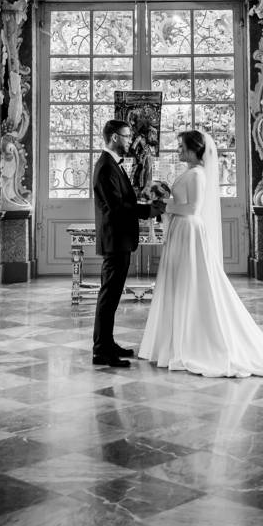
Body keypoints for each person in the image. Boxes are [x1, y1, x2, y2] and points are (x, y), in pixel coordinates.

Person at [138, 130, 263, 378]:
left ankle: (191, 343)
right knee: (178, 281)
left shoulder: (198, 174)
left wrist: (164, 205)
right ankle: (173, 341)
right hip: (181, 229)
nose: (178, 150)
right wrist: (165, 201)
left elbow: (193, 208)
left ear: (194, 149)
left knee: (190, 281)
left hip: (189, 230)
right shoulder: (189, 172)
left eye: (181, 146)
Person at [92, 119, 165, 368]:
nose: (130, 140)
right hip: (115, 240)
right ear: (114, 137)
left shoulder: (113, 164)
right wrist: (148, 211)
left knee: (111, 297)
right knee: (109, 297)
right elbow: (116, 207)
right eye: (126, 136)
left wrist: (144, 204)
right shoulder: (106, 167)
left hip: (120, 239)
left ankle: (107, 343)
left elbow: (124, 201)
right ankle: (101, 350)